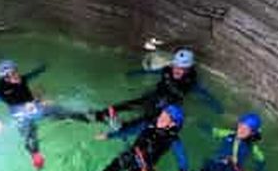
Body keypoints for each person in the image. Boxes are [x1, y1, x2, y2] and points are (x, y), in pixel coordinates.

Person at [0, 59, 91, 169]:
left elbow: (32, 75)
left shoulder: (22, 79)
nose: (16, 75)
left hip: (34, 107)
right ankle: (35, 155)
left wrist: (42, 69)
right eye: (12, 74)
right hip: (21, 114)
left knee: (57, 110)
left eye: (16, 71)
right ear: (5, 78)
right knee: (29, 134)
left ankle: (84, 117)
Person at [93, 48, 222, 127]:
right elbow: (151, 72)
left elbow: (203, 93)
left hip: (166, 107)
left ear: (188, 69)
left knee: (146, 119)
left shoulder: (190, 82)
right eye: (176, 66)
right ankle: (98, 115)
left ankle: (123, 127)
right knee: (130, 104)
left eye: (181, 69)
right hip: (154, 96)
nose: (176, 70)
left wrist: (216, 106)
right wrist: (134, 73)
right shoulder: (167, 70)